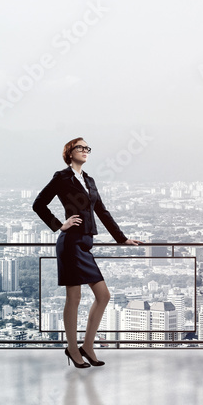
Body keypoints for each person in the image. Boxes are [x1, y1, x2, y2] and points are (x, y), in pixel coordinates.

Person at [33, 137, 144, 368]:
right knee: (74, 298)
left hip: (86, 245)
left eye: (87, 148)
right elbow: (39, 204)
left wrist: (121, 238)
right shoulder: (61, 178)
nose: (85, 151)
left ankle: (87, 346)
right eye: (80, 148)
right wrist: (58, 224)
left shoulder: (90, 180)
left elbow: (102, 211)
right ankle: (72, 349)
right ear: (69, 152)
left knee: (103, 296)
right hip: (70, 244)